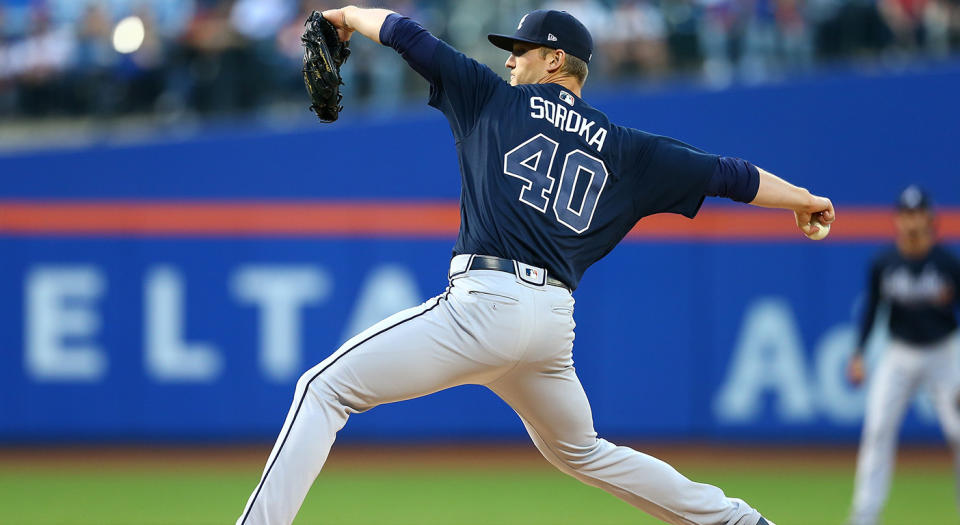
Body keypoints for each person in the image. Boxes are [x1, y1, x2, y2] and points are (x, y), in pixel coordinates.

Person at [236, 7, 835, 525]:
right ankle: (734, 519)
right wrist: (805, 198)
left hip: (484, 304)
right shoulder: (627, 148)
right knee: (585, 453)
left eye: (519, 52)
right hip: (551, 325)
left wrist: (345, 16)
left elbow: (405, 34)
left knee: (322, 388)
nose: (509, 62)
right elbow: (730, 175)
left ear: (554, 60)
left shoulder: (491, 99)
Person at [847, 185, 960, 525]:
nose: (912, 221)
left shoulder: (947, 263)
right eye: (906, 214)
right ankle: (864, 517)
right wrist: (859, 353)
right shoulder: (884, 263)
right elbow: (872, 310)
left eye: (918, 213)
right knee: (878, 429)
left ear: (929, 217)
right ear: (898, 219)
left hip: (945, 352)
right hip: (899, 353)